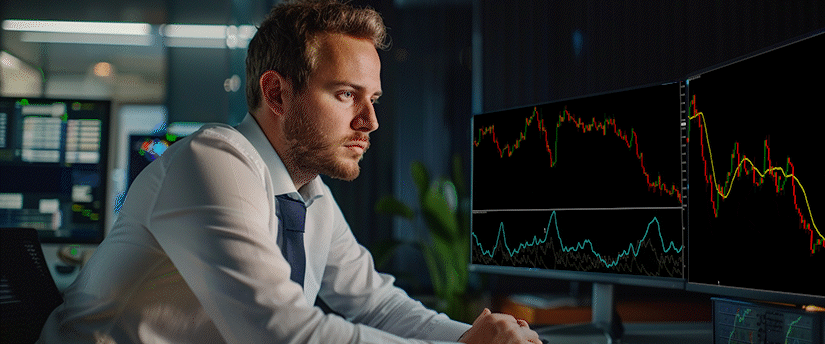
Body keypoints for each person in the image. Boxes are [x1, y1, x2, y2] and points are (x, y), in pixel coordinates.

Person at [38, 1, 542, 343]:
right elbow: (279, 332)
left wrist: (470, 335)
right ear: (277, 93)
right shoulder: (213, 160)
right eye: (347, 95)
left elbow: (376, 303)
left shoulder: (307, 194)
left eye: (374, 99)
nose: (370, 121)